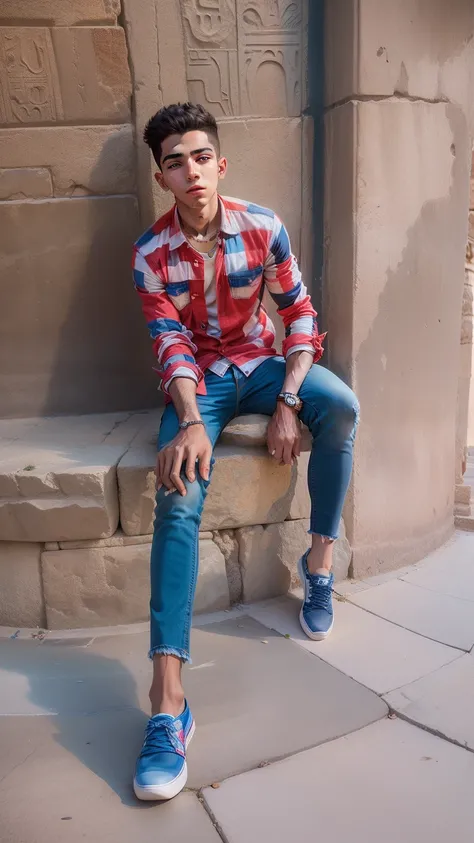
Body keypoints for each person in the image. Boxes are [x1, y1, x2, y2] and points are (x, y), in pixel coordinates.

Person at [131, 102, 359, 801]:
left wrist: (289, 401)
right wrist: (192, 420)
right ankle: (169, 703)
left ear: (219, 163)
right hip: (199, 383)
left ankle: (318, 561)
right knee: (177, 495)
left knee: (340, 407)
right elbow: (168, 343)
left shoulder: (262, 226)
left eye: (201, 156)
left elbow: (300, 316)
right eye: (175, 160)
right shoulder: (149, 254)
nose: (190, 170)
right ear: (162, 175)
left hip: (263, 365)